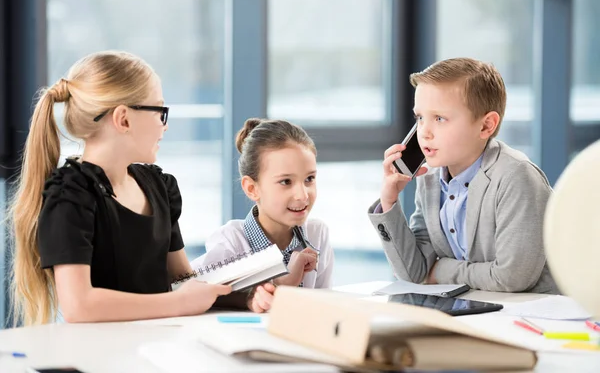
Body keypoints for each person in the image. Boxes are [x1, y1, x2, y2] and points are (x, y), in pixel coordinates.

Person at [10, 51, 231, 326]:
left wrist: (248, 294)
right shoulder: (70, 195)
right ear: (124, 119)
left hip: (158, 349)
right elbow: (79, 306)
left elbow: (182, 279)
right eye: (160, 112)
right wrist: (179, 302)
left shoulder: (158, 186)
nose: (165, 125)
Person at [368, 57, 559, 294]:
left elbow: (512, 278)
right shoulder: (430, 179)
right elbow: (415, 272)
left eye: (439, 118)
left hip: (534, 318)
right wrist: (389, 202)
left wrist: (442, 271)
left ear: (486, 126)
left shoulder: (516, 176)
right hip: (477, 312)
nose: (424, 132)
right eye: (420, 118)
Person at [194, 118, 335, 311]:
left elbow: (323, 308)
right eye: (286, 182)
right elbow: (183, 286)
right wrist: (276, 285)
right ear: (252, 188)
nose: (303, 195)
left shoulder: (317, 234)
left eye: (309, 179)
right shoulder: (230, 242)